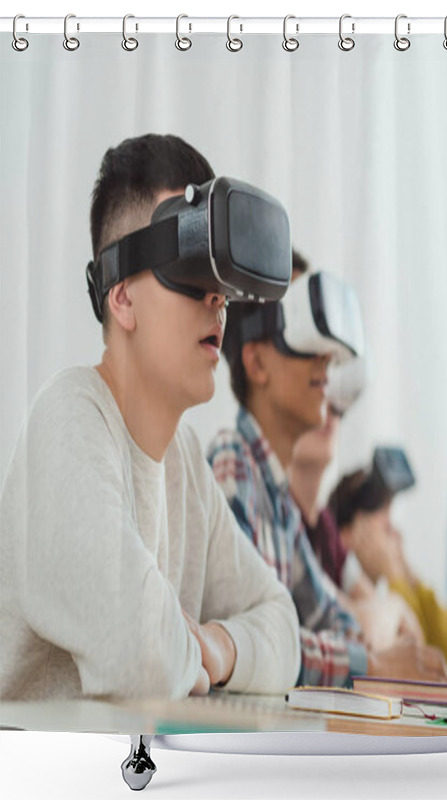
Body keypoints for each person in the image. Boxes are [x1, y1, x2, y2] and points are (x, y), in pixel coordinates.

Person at [0, 133, 300, 702]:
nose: (217, 300)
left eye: (222, 283)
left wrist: (217, 648)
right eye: (192, 268)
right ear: (122, 296)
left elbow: (283, 627)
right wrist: (195, 649)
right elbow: (142, 656)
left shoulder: (184, 459)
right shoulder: (69, 417)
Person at [209, 254, 447, 686]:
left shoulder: (279, 500)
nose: (328, 359)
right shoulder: (234, 462)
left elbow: (333, 620)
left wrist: (388, 651)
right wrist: (371, 663)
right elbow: (254, 643)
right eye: (302, 330)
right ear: (257, 363)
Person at [290, 390, 426, 653]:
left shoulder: (325, 526)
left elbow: (414, 638)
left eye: (337, 407)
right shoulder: (284, 517)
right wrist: (393, 604)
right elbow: (365, 633)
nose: (328, 414)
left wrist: (401, 584)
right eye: (316, 391)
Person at [331, 460, 447, 666]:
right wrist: (394, 577)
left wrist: (410, 576)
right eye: (383, 522)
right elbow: (419, 657)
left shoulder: (387, 594)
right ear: (347, 536)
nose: (394, 532)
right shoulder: (351, 605)